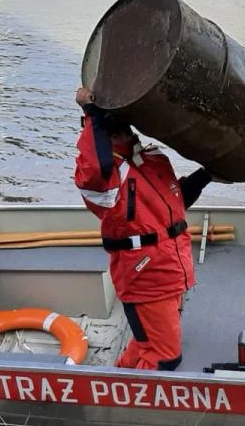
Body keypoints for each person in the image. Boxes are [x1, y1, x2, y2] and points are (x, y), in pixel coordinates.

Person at [73, 86, 213, 371]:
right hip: (145, 277)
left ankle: (121, 376)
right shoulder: (103, 178)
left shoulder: (152, 159)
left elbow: (175, 203)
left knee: (148, 340)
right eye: (112, 130)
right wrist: (91, 115)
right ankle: (133, 407)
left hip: (173, 268)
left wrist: (206, 175)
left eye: (123, 127)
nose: (121, 133)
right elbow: (96, 169)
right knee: (165, 357)